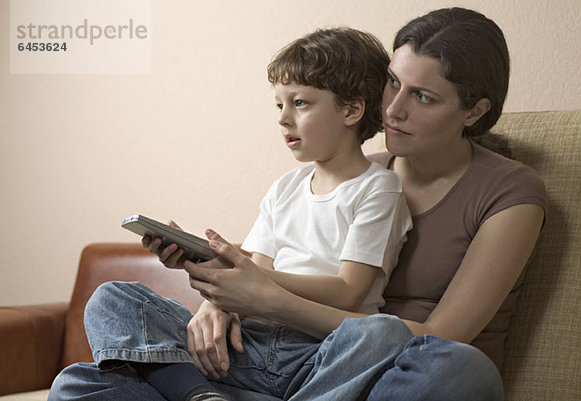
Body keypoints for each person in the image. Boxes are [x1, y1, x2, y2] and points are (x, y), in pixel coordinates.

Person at [50, 7, 548, 401]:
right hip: (261, 354)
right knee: (78, 381)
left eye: (423, 96)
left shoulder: (508, 193)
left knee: (460, 369)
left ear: (475, 110)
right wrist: (218, 302)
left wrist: (263, 297)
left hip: (372, 371)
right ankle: (205, 395)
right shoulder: (341, 168)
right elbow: (262, 266)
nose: (392, 109)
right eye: (393, 82)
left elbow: (441, 337)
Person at [49, 27, 411, 401]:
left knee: (383, 333)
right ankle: (199, 395)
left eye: (300, 103)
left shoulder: (378, 188)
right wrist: (213, 282)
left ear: (351, 110)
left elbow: (348, 293)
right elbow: (251, 276)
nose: (283, 118)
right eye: (279, 105)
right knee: (104, 315)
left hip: (317, 353)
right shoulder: (284, 189)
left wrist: (251, 283)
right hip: (247, 349)